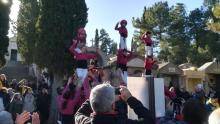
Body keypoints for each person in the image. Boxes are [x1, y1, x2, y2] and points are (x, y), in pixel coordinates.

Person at [75, 83, 154, 124]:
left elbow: (78, 115)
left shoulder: (86, 122)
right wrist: (130, 99)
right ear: (113, 105)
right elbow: (149, 120)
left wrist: (97, 96)